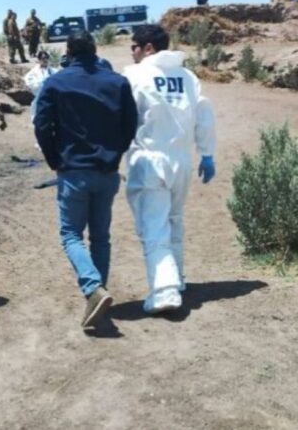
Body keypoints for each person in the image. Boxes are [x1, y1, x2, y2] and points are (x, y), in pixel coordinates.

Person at [34, 31, 138, 328]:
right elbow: (130, 125)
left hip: (73, 170)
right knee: (101, 237)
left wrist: (55, 160)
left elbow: (42, 126)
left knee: (70, 235)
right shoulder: (117, 82)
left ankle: (93, 289)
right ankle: (98, 295)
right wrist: (115, 153)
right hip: (106, 172)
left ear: (68, 51)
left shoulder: (56, 82)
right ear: (95, 49)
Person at [122, 24, 216, 314]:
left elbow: (123, 117)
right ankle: (177, 276)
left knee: (153, 226)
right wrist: (207, 154)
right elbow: (204, 116)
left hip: (149, 160)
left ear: (148, 48)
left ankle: (165, 291)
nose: (132, 52)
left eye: (134, 46)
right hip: (181, 161)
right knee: (174, 220)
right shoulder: (188, 77)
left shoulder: (134, 75)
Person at [23, 50, 57, 122]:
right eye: (43, 58)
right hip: (40, 97)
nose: (45, 60)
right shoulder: (34, 72)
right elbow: (28, 82)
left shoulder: (53, 71)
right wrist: (41, 83)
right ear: (39, 59)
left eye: (46, 58)